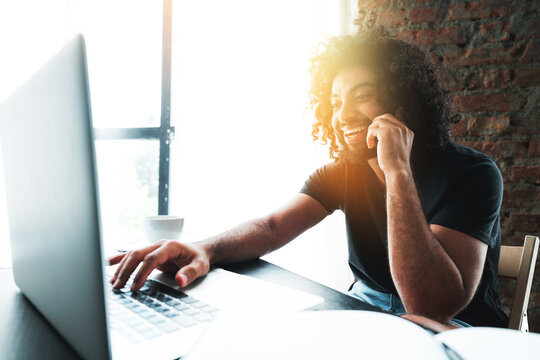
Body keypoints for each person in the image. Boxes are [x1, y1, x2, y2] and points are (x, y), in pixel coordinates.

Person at [109, 31, 508, 328]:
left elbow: (428, 305)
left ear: (403, 103)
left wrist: (396, 171)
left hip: (458, 330)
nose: (343, 114)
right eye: (336, 102)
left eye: (362, 95)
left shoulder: (473, 174)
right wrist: (204, 248)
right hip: (368, 313)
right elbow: (270, 227)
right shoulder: (343, 172)